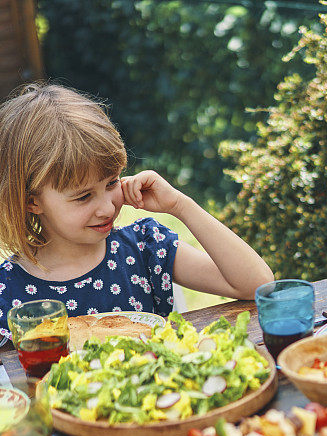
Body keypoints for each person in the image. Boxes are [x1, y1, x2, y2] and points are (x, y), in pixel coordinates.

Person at [0, 84, 273, 339]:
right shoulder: (6, 291)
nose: (107, 208)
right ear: (31, 202)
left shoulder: (144, 247)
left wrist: (180, 206)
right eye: (83, 197)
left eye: (111, 183)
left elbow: (256, 284)